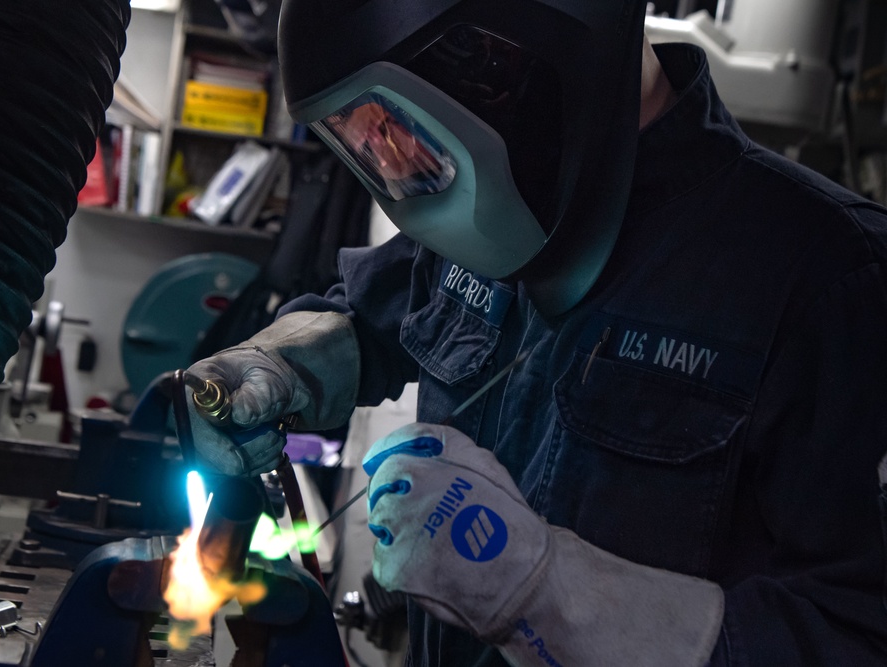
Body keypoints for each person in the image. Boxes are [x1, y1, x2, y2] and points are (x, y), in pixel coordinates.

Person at [187, 0, 887, 664]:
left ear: (499, 60)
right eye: (370, 143)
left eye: (399, 130)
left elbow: (858, 635)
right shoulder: (482, 209)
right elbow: (368, 316)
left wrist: (550, 593)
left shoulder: (833, 280)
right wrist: (283, 362)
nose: (397, 167)